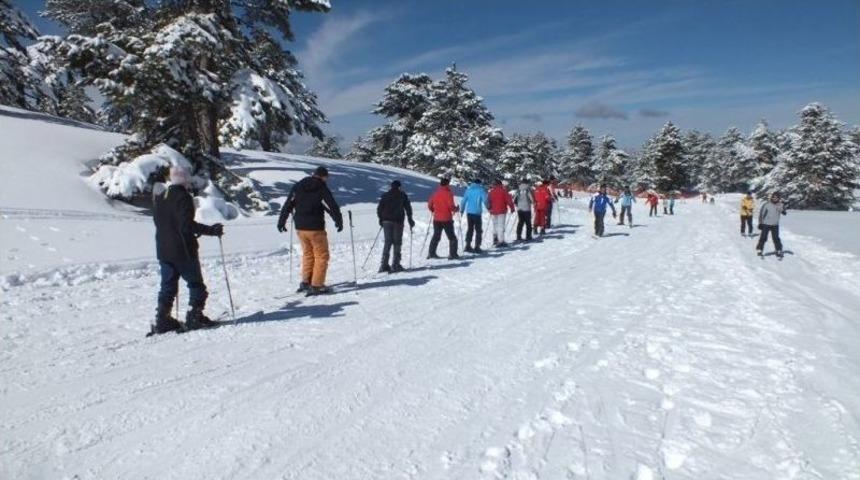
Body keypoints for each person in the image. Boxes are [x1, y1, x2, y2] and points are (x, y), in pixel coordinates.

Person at [151, 166, 224, 335]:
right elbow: (186, 225)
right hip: (183, 249)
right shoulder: (183, 197)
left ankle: (163, 319)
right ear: (184, 180)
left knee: (167, 285)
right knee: (195, 283)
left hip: (163, 248)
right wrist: (211, 230)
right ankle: (194, 316)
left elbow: (160, 222)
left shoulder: (161, 196)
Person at [277, 166, 343, 296]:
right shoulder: (321, 187)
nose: (326, 180)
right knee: (321, 256)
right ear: (323, 176)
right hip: (316, 227)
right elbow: (332, 204)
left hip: (300, 227)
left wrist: (282, 221)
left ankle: (306, 282)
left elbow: (288, 204)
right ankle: (317, 285)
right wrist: (338, 220)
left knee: (308, 254)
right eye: (326, 178)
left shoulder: (298, 186)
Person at [376, 180, 415, 273]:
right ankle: (396, 264)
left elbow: (379, 208)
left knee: (387, 242)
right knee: (397, 242)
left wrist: (381, 219)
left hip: (386, 221)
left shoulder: (385, 195)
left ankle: (384, 265)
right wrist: (410, 218)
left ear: (391, 187)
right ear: (399, 187)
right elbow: (408, 207)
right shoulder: (402, 195)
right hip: (398, 221)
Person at [427, 178, 460, 259]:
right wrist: (456, 209)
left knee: (436, 236)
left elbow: (429, 204)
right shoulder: (449, 193)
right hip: (446, 219)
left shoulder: (436, 193)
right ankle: (453, 254)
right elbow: (451, 206)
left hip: (437, 219)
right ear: (447, 184)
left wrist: (433, 210)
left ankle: (431, 253)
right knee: (452, 237)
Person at [460, 178, 489, 253]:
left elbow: (463, 201)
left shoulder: (468, 190)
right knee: (478, 230)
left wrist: (462, 210)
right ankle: (477, 246)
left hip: (469, 212)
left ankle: (468, 245)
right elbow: (485, 200)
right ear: (480, 183)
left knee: (470, 229)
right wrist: (489, 208)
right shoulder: (481, 190)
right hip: (477, 213)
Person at [756, 192, 787, 257]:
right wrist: (760, 223)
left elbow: (784, 213)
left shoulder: (780, 205)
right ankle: (759, 249)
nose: (774, 198)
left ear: (778, 198)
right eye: (773, 197)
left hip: (775, 225)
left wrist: (781, 209)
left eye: (776, 197)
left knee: (776, 238)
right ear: (771, 197)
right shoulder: (767, 204)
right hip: (766, 224)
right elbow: (761, 214)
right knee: (763, 237)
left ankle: (778, 250)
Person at [488, 178, 515, 247]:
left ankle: (495, 239)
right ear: (500, 184)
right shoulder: (504, 191)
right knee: (501, 226)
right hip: (501, 210)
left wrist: (489, 208)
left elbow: (488, 201)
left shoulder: (491, 192)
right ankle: (501, 241)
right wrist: (512, 208)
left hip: (493, 211)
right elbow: (509, 200)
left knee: (495, 225)